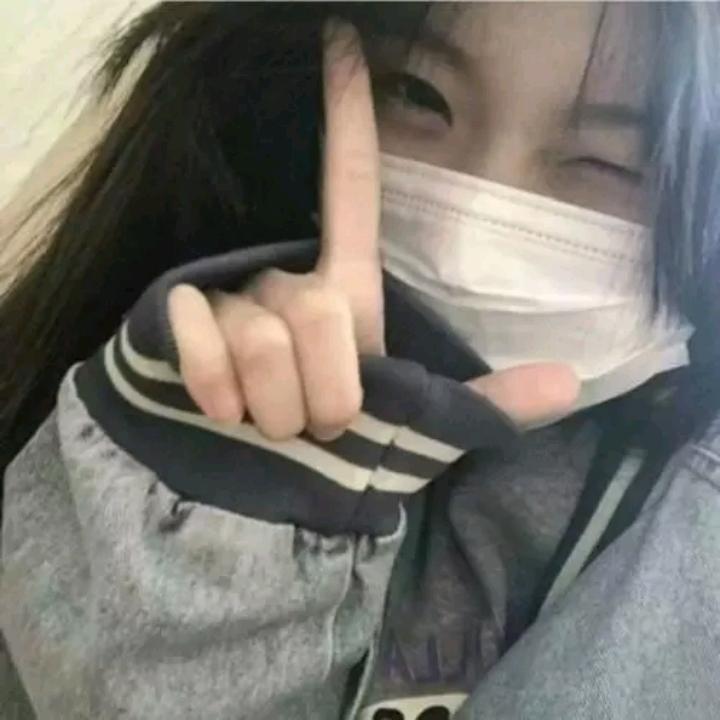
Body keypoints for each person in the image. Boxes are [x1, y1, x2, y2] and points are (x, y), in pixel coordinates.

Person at [1, 2, 720, 718]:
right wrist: (221, 531)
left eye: (607, 164)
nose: (465, 244)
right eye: (415, 94)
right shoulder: (149, 375)